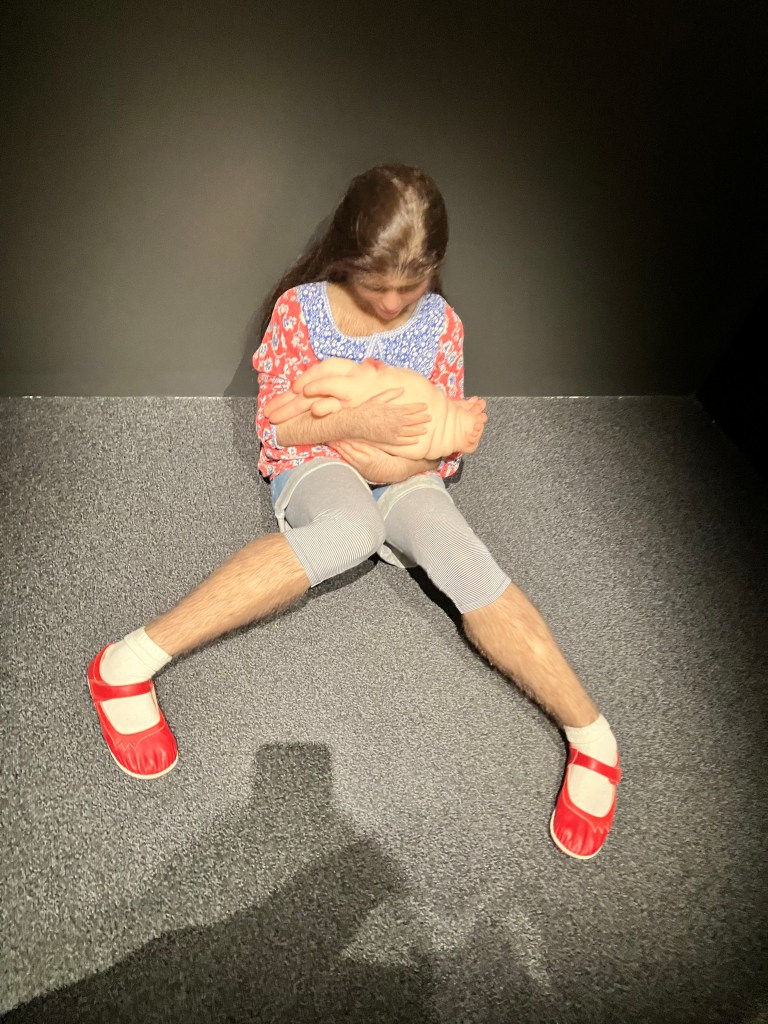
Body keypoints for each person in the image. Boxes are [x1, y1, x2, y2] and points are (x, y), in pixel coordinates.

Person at [87, 164, 621, 860]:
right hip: (317, 462)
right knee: (350, 530)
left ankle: (593, 735)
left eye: (412, 285)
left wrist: (417, 448)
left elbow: (438, 445)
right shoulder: (301, 311)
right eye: (377, 285)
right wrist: (362, 427)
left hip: (407, 471)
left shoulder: (441, 325)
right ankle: (125, 662)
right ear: (347, 256)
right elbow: (281, 426)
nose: (394, 303)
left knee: (459, 554)